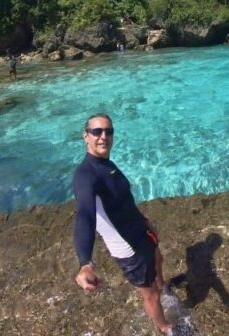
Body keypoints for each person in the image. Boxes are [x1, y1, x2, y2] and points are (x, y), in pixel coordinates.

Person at [73, 114, 174, 335]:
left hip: (141, 230)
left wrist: (145, 220)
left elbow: (122, 200)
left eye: (108, 132)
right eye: (96, 132)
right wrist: (85, 263)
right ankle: (165, 328)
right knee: (150, 295)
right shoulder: (85, 175)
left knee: (159, 260)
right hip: (129, 248)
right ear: (85, 136)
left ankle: (165, 288)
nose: (103, 137)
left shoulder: (105, 163)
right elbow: (85, 215)